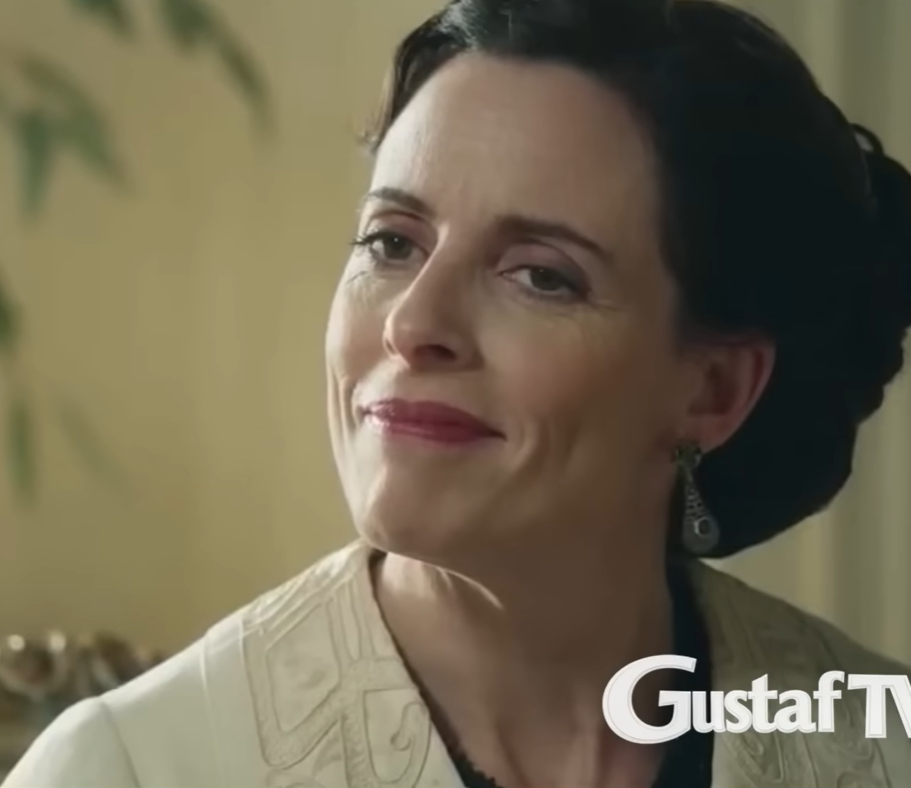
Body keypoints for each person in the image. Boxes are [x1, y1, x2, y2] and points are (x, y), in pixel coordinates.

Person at [6, 0, 911, 785]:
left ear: (712, 391)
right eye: (391, 242)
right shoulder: (131, 768)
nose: (413, 322)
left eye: (541, 276)